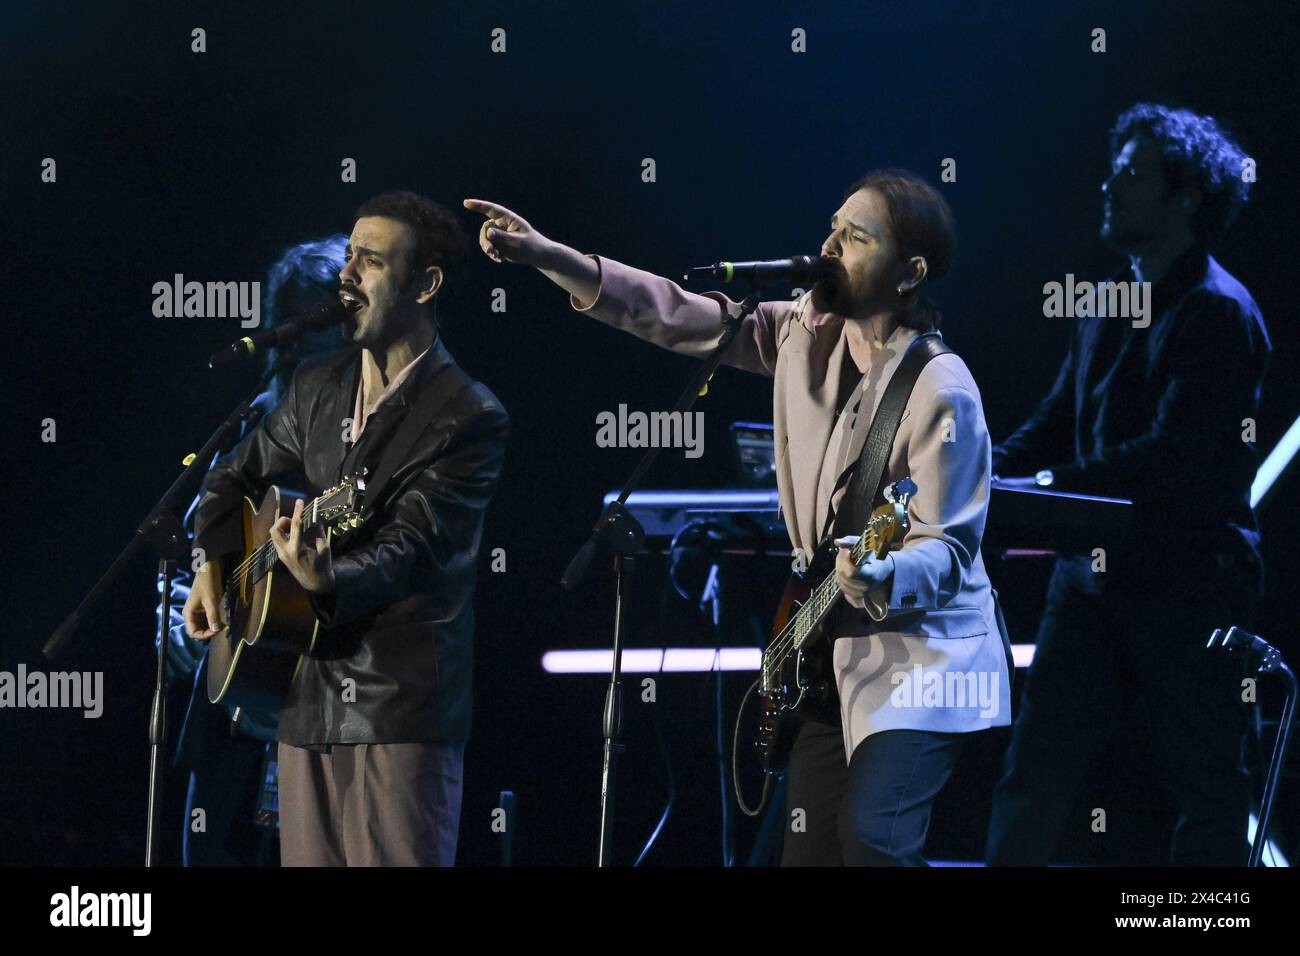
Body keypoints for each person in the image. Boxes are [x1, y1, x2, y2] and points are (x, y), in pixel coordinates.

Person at [465, 170, 1012, 866]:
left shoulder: (941, 386)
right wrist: (549, 256)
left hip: (924, 656)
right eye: (832, 228)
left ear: (910, 273)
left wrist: (885, 571)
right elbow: (673, 313)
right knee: (808, 853)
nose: (828, 246)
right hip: (831, 655)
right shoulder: (799, 335)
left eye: (856, 236)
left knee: (872, 837)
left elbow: (947, 545)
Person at [183, 192, 510, 866]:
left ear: (426, 284)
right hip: (302, 701)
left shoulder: (466, 414)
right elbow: (227, 482)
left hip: (397, 707)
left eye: (371, 261)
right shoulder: (314, 387)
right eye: (348, 258)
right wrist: (213, 566)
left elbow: (412, 551)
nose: (347, 275)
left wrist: (327, 577)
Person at [984, 104, 1271, 866]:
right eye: (1116, 168)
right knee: (1033, 774)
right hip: (1092, 581)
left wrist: (1040, 489)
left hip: (1189, 585)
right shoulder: (1109, 298)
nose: (1109, 183)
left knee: (1206, 787)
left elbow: (1169, 462)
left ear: (1187, 198)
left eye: (1134, 173)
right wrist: (979, 476)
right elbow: (1055, 417)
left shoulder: (1216, 312)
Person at [157, 233, 348, 866]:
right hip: (227, 729)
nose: (297, 348)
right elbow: (184, 553)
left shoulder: (383, 445)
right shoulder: (249, 430)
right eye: (288, 329)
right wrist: (179, 615)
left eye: (317, 325)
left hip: (329, 733)